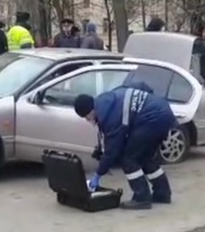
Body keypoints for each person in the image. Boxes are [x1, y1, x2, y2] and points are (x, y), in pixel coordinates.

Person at [73, 82, 175, 210]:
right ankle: (162, 194)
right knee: (144, 157)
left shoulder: (109, 116)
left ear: (90, 111)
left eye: (87, 117)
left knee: (129, 158)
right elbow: (144, 86)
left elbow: (113, 149)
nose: (88, 120)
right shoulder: (108, 101)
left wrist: (98, 174)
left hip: (151, 119)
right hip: (163, 112)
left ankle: (142, 197)